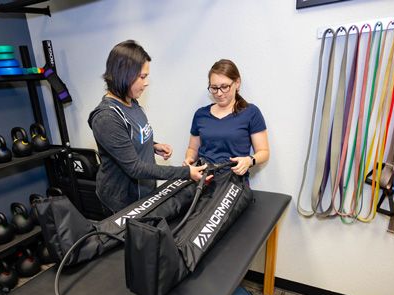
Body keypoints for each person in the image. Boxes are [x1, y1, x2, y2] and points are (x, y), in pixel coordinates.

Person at [88, 40, 206, 213]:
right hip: (121, 203)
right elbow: (135, 168)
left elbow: (129, 139)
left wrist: (153, 145)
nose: (146, 82)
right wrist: (185, 172)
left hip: (143, 194)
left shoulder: (132, 102)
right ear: (124, 74)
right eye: (142, 77)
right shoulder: (107, 118)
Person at [184, 59, 269, 178]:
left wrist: (249, 160)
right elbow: (192, 148)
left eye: (224, 87)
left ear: (237, 83)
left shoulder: (251, 112)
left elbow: (264, 152)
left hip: (233, 180)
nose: (219, 93)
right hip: (203, 178)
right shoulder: (200, 114)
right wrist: (189, 160)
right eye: (214, 88)